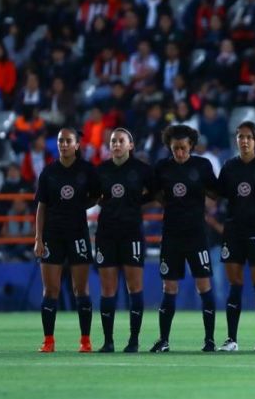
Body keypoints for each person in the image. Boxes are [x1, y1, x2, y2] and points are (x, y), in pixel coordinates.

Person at [150, 125, 218, 353]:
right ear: (170, 148)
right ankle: (164, 340)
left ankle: (209, 340)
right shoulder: (162, 168)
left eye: (183, 148)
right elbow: (155, 193)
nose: (179, 153)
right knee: (169, 287)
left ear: (191, 146)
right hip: (171, 235)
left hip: (197, 233)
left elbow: (215, 193)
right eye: (175, 148)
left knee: (204, 285)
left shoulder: (202, 165)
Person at [34, 127, 101, 353]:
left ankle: (85, 340)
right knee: (50, 290)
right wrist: (38, 238)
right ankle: (48, 340)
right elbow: (41, 206)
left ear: (77, 145)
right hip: (52, 235)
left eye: (67, 141)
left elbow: (97, 195)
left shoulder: (87, 170)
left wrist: (81, 206)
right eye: (60, 141)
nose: (63, 144)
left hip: (78, 234)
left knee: (81, 290)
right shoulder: (49, 172)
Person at [216, 122, 255, 352]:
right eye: (240, 136)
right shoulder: (229, 167)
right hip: (233, 231)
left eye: (248, 137)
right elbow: (218, 193)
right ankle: (231, 339)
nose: (244, 141)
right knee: (235, 285)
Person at [94, 128, 154, 352]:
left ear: (130, 145)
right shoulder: (101, 171)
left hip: (132, 233)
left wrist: (137, 200)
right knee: (107, 288)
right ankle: (108, 341)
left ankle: (134, 340)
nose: (116, 144)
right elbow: (92, 196)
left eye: (121, 141)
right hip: (106, 233)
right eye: (113, 141)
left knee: (134, 287)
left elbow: (157, 192)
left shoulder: (142, 170)